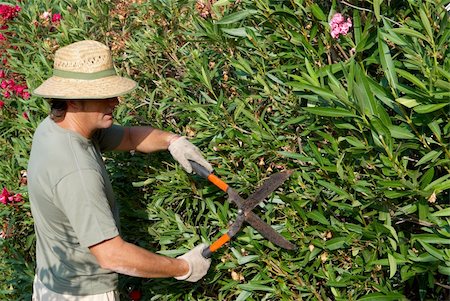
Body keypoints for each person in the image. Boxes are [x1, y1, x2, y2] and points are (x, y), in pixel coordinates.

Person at [28, 40, 212, 300]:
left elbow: (127, 137)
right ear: (73, 100)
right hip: (83, 295)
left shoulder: (55, 127)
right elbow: (112, 255)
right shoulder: (76, 171)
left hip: (52, 282)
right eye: (104, 95)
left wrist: (172, 141)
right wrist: (184, 267)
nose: (116, 101)